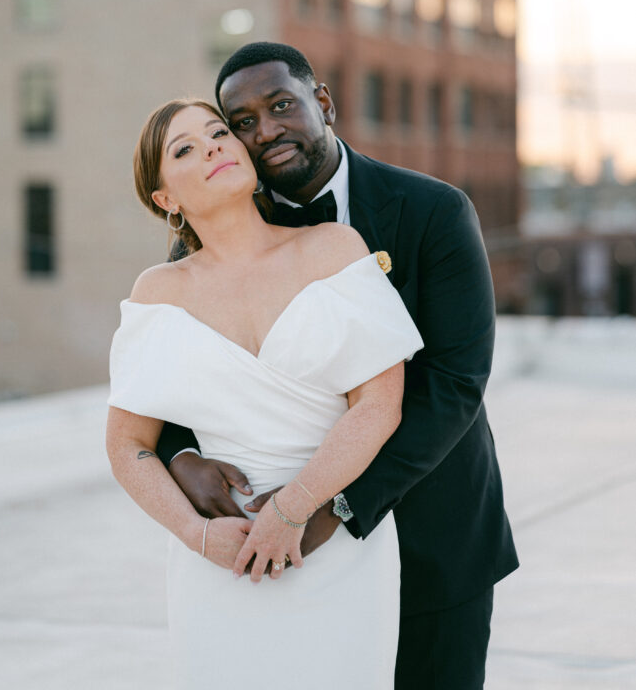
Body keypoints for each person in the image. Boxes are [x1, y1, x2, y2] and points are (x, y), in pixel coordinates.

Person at [157, 42, 519, 690]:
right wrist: (182, 458)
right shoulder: (220, 225)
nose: (265, 130)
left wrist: (330, 508)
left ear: (320, 103)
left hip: (432, 534)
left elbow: (453, 385)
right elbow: (175, 371)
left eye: (280, 106)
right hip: (273, 553)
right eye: (242, 122)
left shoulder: (434, 211)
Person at [106, 97, 424, 689]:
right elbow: (127, 445)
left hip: (335, 544)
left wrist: (291, 508)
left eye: (219, 132)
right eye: (184, 149)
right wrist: (196, 534)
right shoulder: (157, 293)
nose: (213, 147)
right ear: (165, 200)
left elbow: (380, 404)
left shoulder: (332, 248)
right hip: (219, 557)